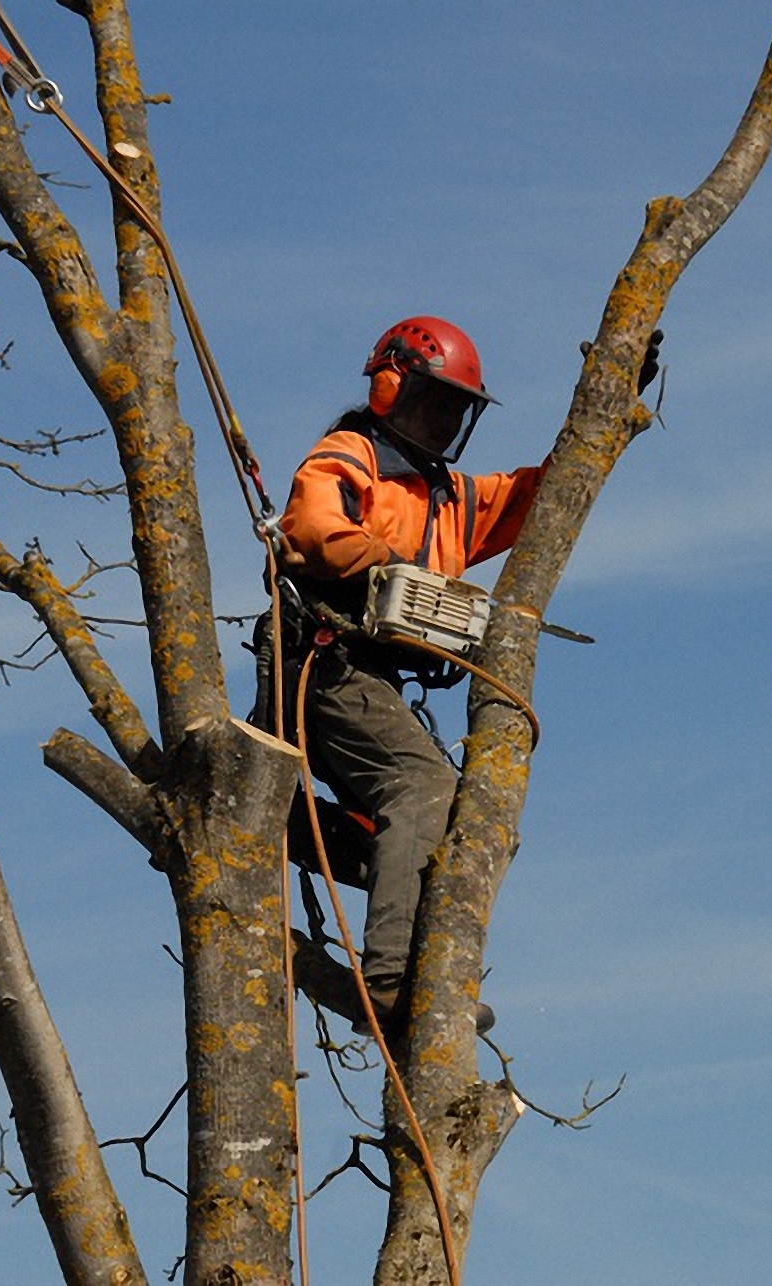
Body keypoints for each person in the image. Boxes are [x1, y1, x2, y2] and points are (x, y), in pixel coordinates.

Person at [273, 316, 544, 1034]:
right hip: (325, 666)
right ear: (392, 384)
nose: (442, 420)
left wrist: (598, 429)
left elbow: (540, 496)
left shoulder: (452, 497)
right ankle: (392, 980)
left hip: (373, 685)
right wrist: (390, 569)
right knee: (423, 787)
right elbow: (311, 527)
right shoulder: (351, 455)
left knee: (428, 828)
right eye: (433, 403)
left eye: (455, 410)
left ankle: (282, 822)